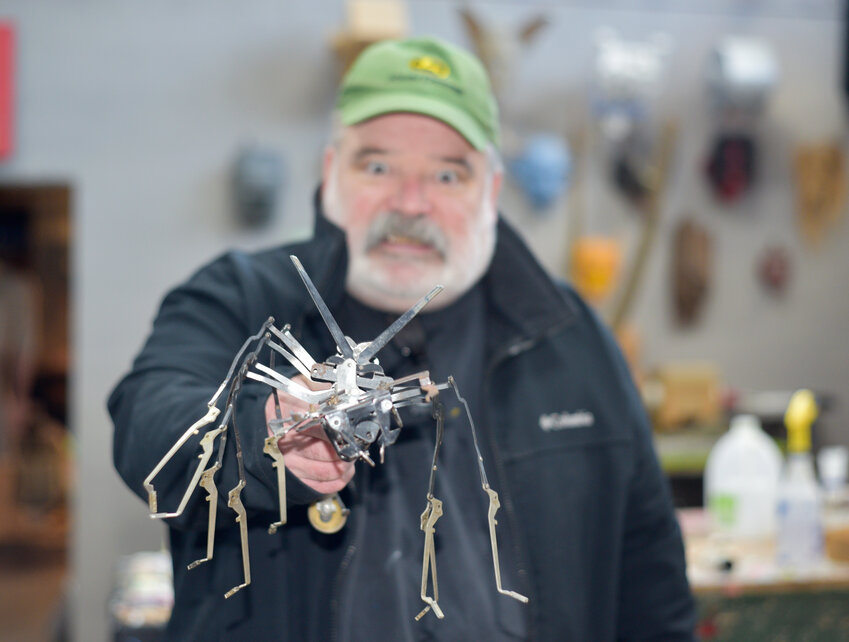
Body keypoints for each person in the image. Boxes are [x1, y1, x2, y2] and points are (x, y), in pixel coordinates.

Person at [110, 37, 696, 641]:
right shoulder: (239, 300)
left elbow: (651, 577)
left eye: (447, 173)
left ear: (490, 194)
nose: (410, 203)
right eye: (379, 165)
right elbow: (147, 427)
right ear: (332, 171)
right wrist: (264, 436)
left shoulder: (568, 336)